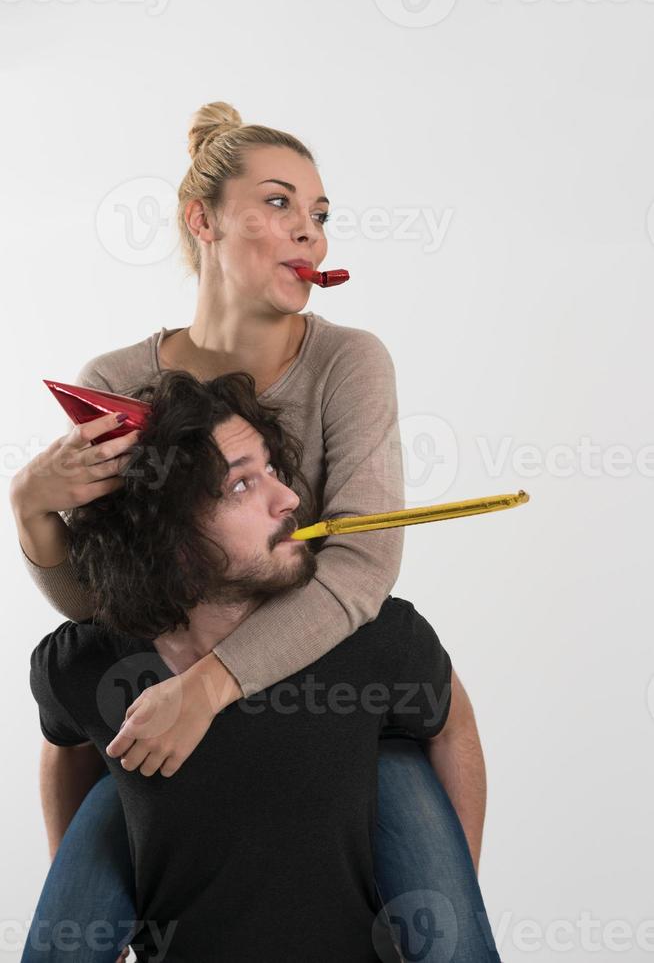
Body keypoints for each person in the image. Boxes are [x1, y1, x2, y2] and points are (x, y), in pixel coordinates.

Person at [13, 102, 499, 961]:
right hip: (172, 701)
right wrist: (31, 512)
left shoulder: (351, 361)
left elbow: (358, 568)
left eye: (320, 216)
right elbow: (115, 598)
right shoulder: (118, 381)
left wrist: (207, 688)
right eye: (279, 205)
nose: (308, 233)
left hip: (336, 709)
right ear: (202, 220)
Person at [28, 368, 461, 961]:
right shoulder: (80, 662)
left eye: (273, 471)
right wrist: (84, 899)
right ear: (169, 540)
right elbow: (66, 743)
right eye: (241, 486)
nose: (289, 497)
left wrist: (451, 911)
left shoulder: (375, 640)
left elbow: (452, 729)